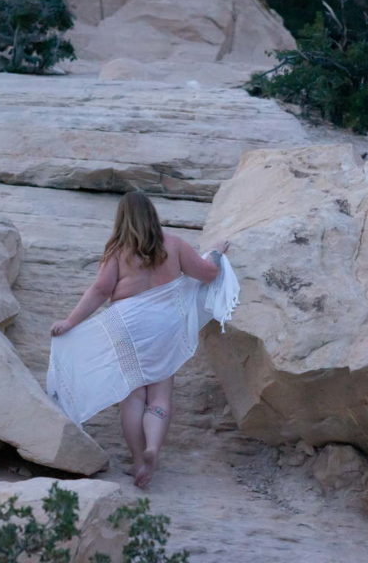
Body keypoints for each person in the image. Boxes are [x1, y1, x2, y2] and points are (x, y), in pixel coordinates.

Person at [47, 192, 238, 488]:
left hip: (129, 324)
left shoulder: (118, 252)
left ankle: (138, 460)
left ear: (122, 219)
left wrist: (70, 322)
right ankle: (153, 449)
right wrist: (215, 251)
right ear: (152, 214)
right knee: (160, 394)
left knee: (133, 394)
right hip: (166, 324)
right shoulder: (173, 244)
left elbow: (99, 291)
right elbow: (208, 274)